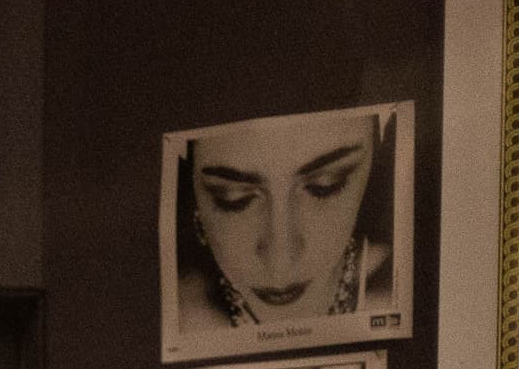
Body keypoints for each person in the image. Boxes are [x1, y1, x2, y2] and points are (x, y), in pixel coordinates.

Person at [170, 105, 396, 342]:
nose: (280, 261)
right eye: (234, 199)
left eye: (325, 185)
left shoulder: (401, 294)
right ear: (196, 203)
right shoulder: (175, 313)